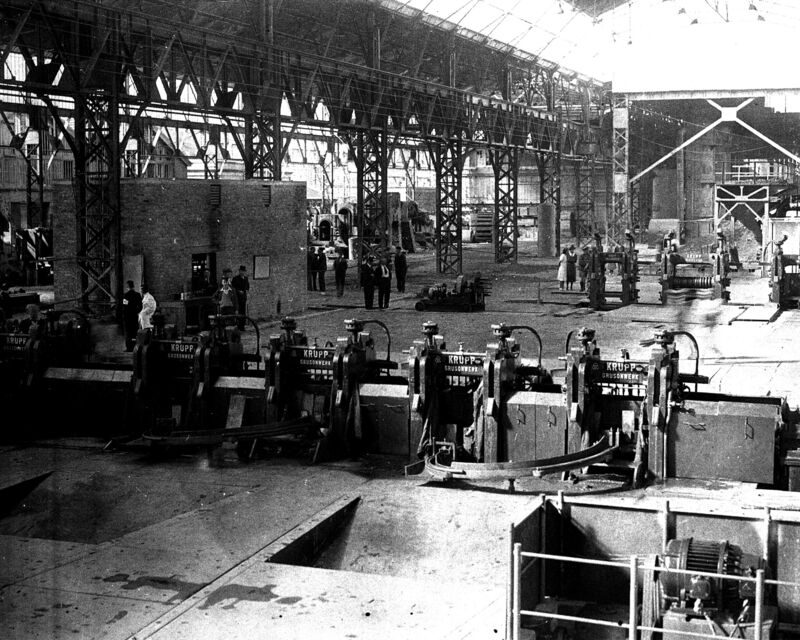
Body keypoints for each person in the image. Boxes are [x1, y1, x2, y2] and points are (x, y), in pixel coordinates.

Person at [122, 280, 143, 351]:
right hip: (134, 316)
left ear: (127, 287)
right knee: (134, 332)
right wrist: (136, 312)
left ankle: (129, 348)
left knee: (128, 333)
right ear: (133, 286)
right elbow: (140, 307)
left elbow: (124, 307)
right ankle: (135, 347)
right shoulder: (137, 295)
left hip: (128, 317)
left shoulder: (126, 295)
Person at [231, 265, 250, 330]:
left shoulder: (246, 278)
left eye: (243, 271)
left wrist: (246, 290)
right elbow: (233, 287)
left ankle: (242, 326)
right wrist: (238, 291)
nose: (242, 272)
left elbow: (247, 286)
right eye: (241, 271)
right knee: (238, 311)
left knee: (243, 312)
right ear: (239, 271)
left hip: (243, 298)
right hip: (237, 298)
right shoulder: (235, 279)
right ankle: (238, 325)